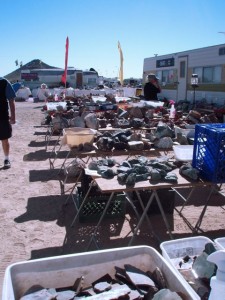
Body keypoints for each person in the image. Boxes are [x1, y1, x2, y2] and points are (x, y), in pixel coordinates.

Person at [0, 77, 16, 168]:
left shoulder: (4, 82)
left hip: (2, 116)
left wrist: (13, 116)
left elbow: (11, 99)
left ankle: (6, 159)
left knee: (4, 139)